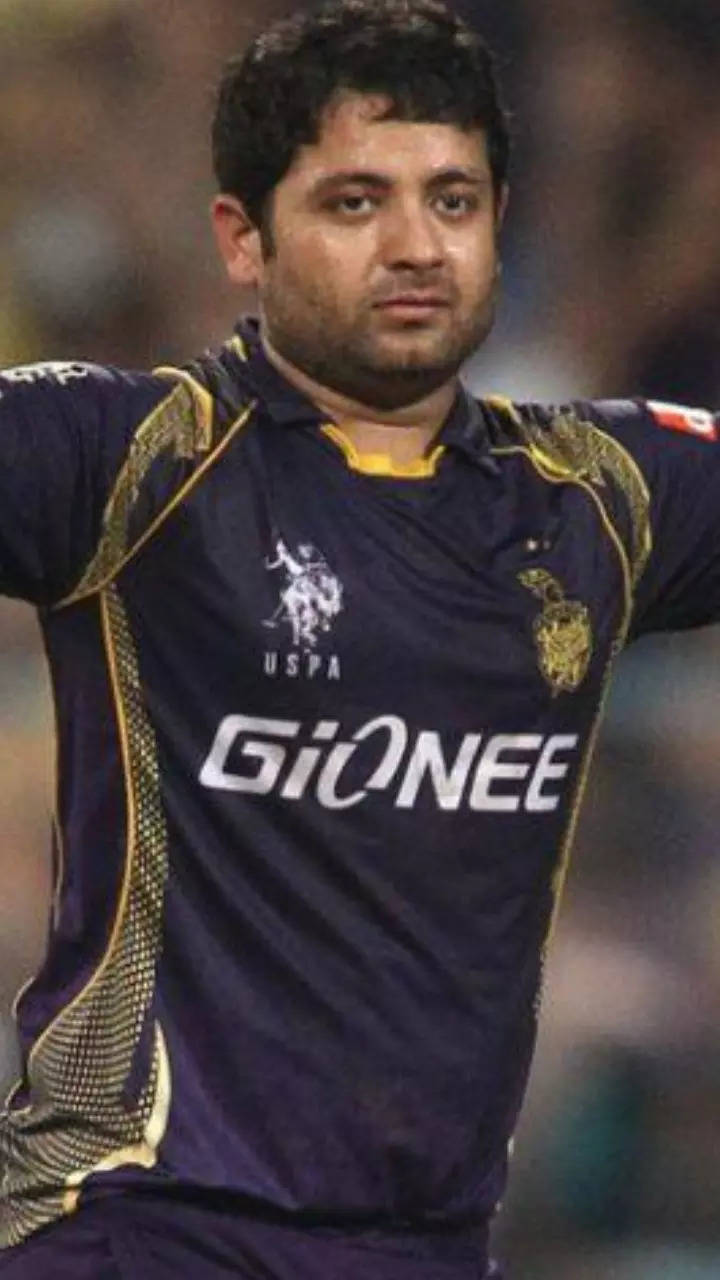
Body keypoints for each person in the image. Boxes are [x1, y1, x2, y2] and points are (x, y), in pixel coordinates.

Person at [1, 1, 719, 1276]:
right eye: (353, 203)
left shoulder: (598, 499)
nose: (415, 245)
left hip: (431, 1247)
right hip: (142, 1224)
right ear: (243, 236)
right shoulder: (134, 461)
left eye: (453, 201)